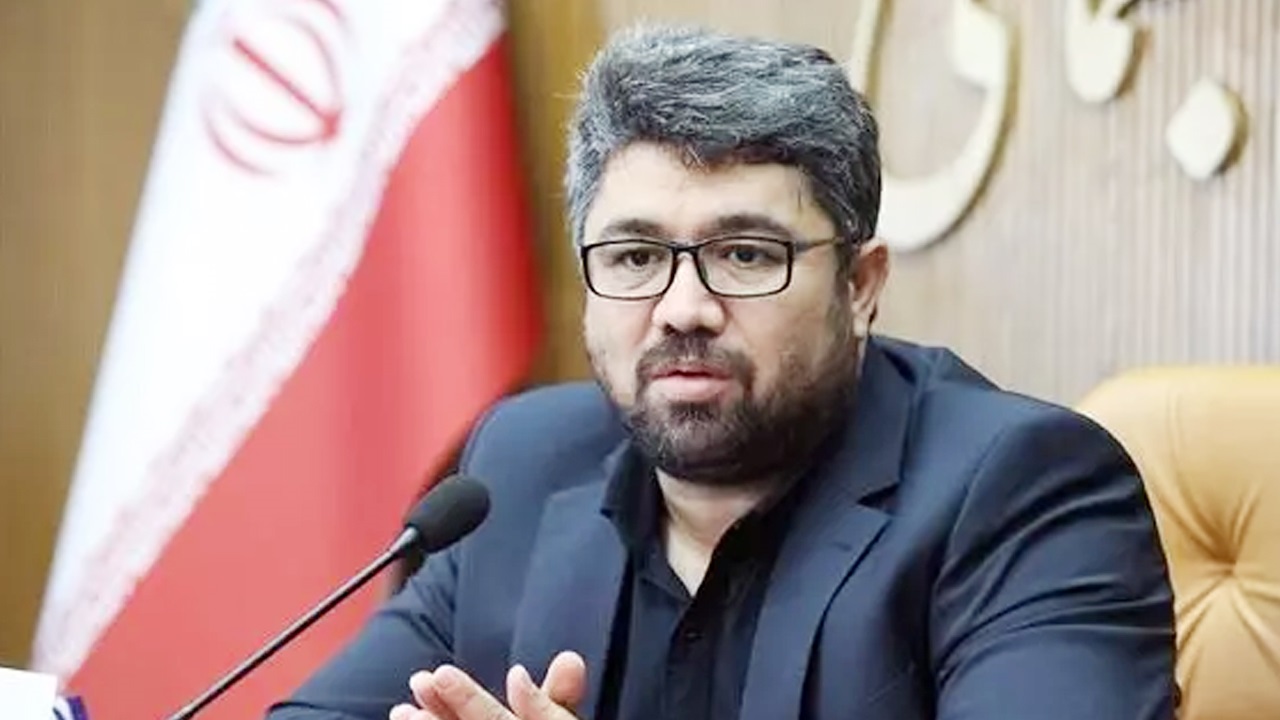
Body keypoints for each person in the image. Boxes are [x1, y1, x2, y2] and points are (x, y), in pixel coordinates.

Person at [266, 24, 1177, 720]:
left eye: (745, 255)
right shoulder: (521, 468)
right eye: (634, 257)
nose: (682, 308)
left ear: (860, 286)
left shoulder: (1023, 488)